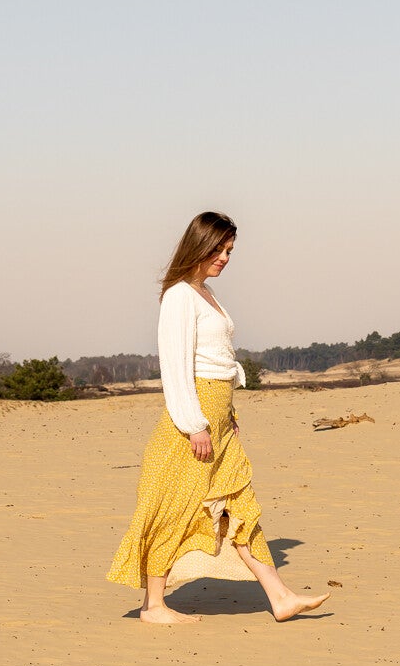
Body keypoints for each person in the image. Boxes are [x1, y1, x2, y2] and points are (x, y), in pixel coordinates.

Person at [107, 211, 330, 623]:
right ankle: (153, 606)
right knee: (174, 505)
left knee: (240, 506)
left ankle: (280, 597)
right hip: (192, 423)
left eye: (229, 250)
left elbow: (219, 357)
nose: (225, 257)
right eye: (219, 249)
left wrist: (228, 413)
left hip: (219, 419)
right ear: (198, 245)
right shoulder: (179, 295)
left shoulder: (205, 292)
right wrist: (195, 424)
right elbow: (176, 366)